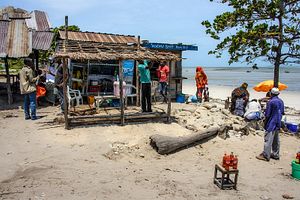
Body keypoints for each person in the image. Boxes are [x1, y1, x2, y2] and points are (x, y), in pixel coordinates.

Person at [256, 87, 284, 161]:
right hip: (278, 122)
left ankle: (266, 155)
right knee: (276, 139)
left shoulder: (270, 102)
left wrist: (265, 124)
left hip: (271, 122)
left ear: (271, 94)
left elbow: (267, 114)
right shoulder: (281, 101)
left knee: (268, 139)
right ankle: (275, 154)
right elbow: (282, 112)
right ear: (278, 94)